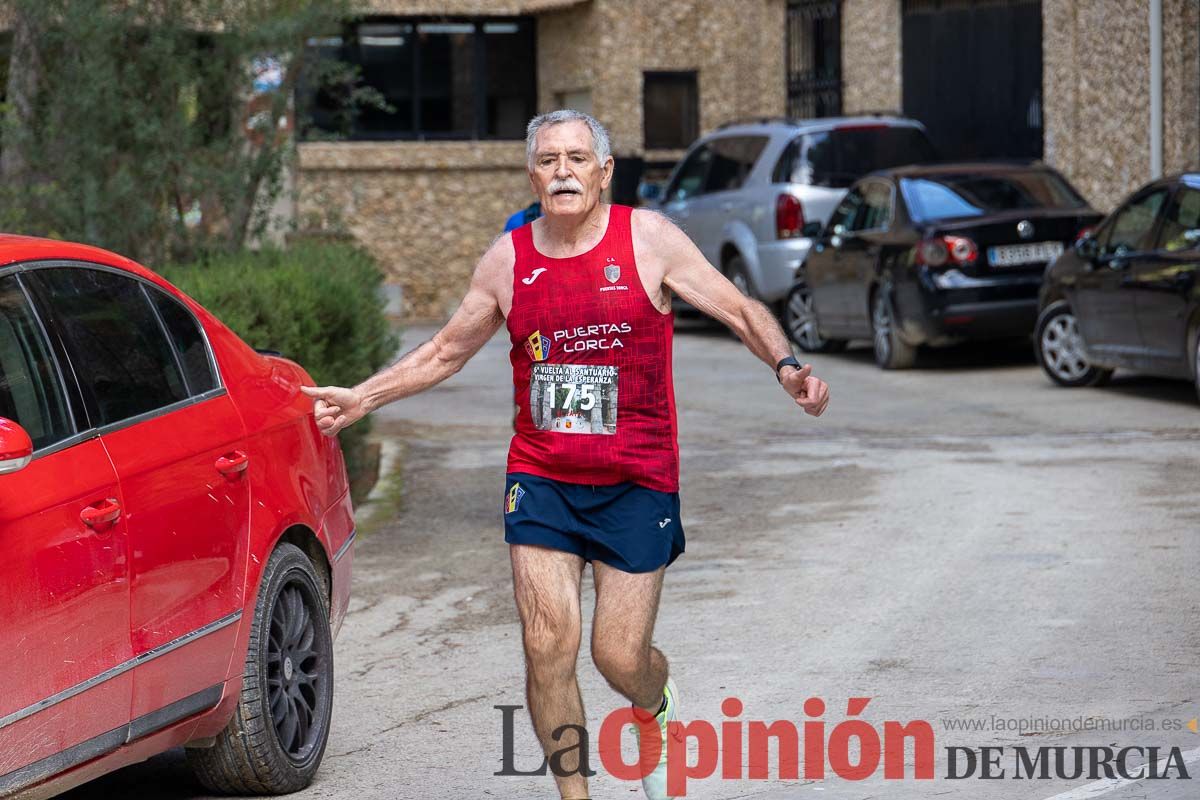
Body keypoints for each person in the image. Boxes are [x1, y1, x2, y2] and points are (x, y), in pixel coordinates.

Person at [301, 109, 830, 800]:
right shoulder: (508, 260)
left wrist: (787, 365)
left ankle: (654, 702)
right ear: (532, 175)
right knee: (548, 643)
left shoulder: (649, 242)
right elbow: (443, 350)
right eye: (548, 160)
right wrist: (365, 397)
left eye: (578, 159)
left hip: (637, 479)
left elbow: (737, 308)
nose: (563, 172)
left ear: (604, 172)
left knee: (618, 656)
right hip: (543, 475)